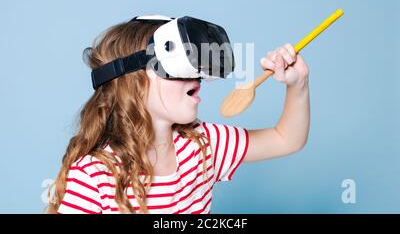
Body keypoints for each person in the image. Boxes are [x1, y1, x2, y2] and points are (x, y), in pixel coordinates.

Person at [48, 15, 310, 214]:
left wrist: (297, 84)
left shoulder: (203, 145)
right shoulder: (95, 176)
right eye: (176, 65)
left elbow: (287, 138)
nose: (196, 76)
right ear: (134, 82)